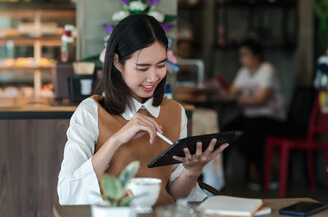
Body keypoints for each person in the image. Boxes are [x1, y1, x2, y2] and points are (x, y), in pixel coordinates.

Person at [57, 14, 228, 205]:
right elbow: (68, 194)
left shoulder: (174, 112)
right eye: (142, 67)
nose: (153, 77)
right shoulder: (91, 112)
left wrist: (192, 171)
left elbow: (175, 196)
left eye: (161, 65)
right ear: (117, 62)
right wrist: (117, 139)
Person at [221, 38, 285, 189]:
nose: (241, 58)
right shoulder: (243, 71)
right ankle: (219, 178)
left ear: (257, 55)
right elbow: (231, 94)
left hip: (270, 116)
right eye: (240, 55)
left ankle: (266, 174)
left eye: (245, 54)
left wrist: (236, 97)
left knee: (246, 139)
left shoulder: (267, 70)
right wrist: (218, 91)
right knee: (224, 133)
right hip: (250, 116)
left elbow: (261, 100)